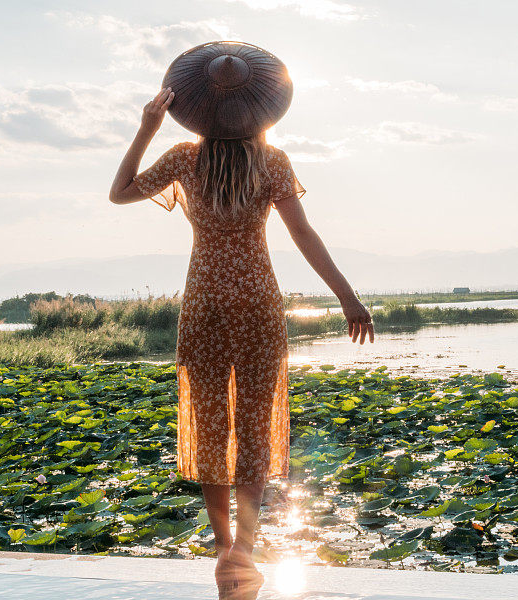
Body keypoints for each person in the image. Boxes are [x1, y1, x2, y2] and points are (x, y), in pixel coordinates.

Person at [109, 80, 373, 598]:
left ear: (202, 113)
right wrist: (347, 296)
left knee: (210, 425)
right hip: (256, 301)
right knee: (254, 425)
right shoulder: (271, 161)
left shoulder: (185, 158)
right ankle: (244, 550)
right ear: (257, 112)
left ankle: (224, 545)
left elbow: (119, 193)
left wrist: (146, 128)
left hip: (205, 302)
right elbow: (303, 235)